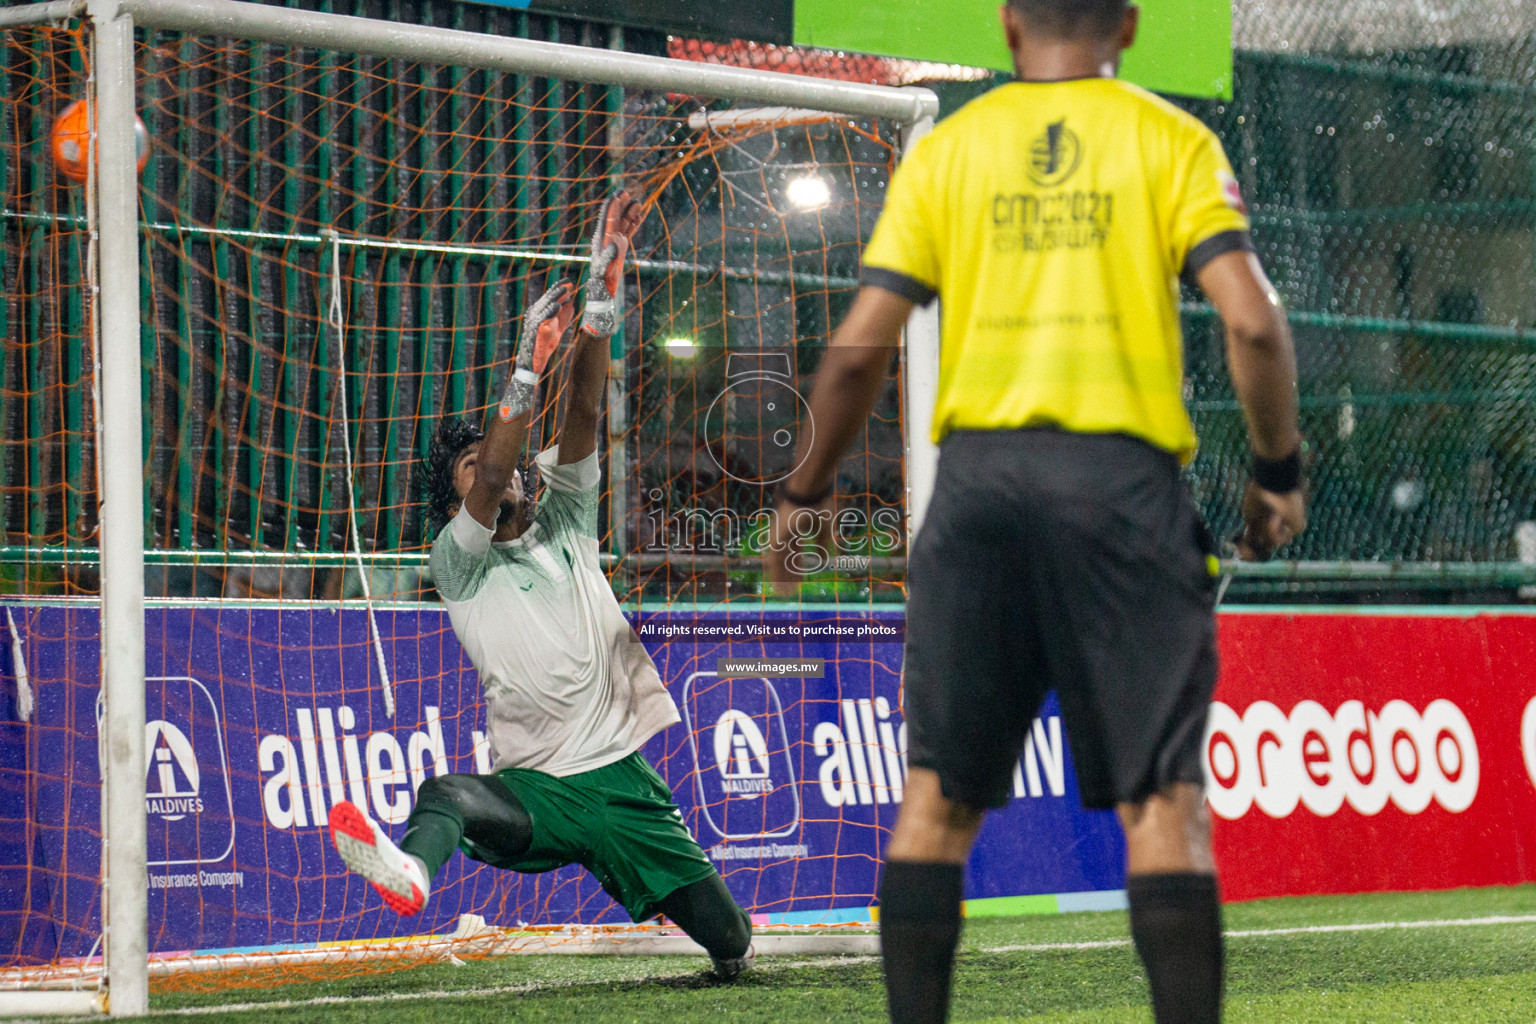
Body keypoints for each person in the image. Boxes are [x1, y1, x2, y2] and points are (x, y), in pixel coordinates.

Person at [764, 1, 1306, 1021]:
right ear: (1131, 26)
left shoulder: (952, 151)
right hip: (1123, 495)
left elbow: (854, 350)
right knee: (1164, 811)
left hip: (976, 492)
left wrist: (805, 491)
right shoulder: (1170, 141)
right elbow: (1254, 322)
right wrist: (1276, 469)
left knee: (935, 801)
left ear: (1009, 29)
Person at [330, 191, 754, 981]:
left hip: (623, 782)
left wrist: (602, 294)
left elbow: (587, 406)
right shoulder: (458, 562)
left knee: (731, 940)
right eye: (469, 472)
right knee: (449, 792)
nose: (495, 473)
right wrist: (528, 358)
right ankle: (412, 874)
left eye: (499, 464)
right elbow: (493, 468)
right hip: (537, 792)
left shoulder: (566, 518)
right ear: (459, 499)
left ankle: (714, 943)